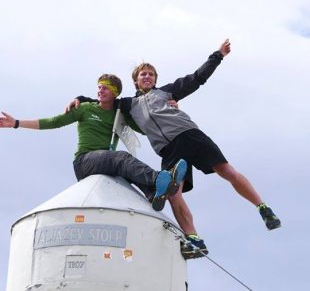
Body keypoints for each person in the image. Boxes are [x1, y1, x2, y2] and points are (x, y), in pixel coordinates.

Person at [69, 39, 281, 235]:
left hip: (189, 135)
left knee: (226, 171)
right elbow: (101, 102)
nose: (147, 76)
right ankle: (193, 238)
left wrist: (217, 55)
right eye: (143, 74)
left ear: (155, 80)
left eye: (151, 74)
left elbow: (196, 79)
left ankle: (262, 206)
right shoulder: (127, 105)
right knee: (172, 192)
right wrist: (79, 98)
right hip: (168, 148)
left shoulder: (167, 92)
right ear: (136, 81)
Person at [0, 74, 194, 244]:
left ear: (115, 92)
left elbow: (148, 126)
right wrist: (16, 123)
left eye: (105, 88)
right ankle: (161, 179)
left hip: (107, 162)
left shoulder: (121, 114)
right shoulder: (84, 108)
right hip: (85, 161)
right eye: (99, 87)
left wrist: (169, 108)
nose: (100, 90)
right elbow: (54, 122)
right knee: (122, 159)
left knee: (125, 168)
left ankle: (153, 194)